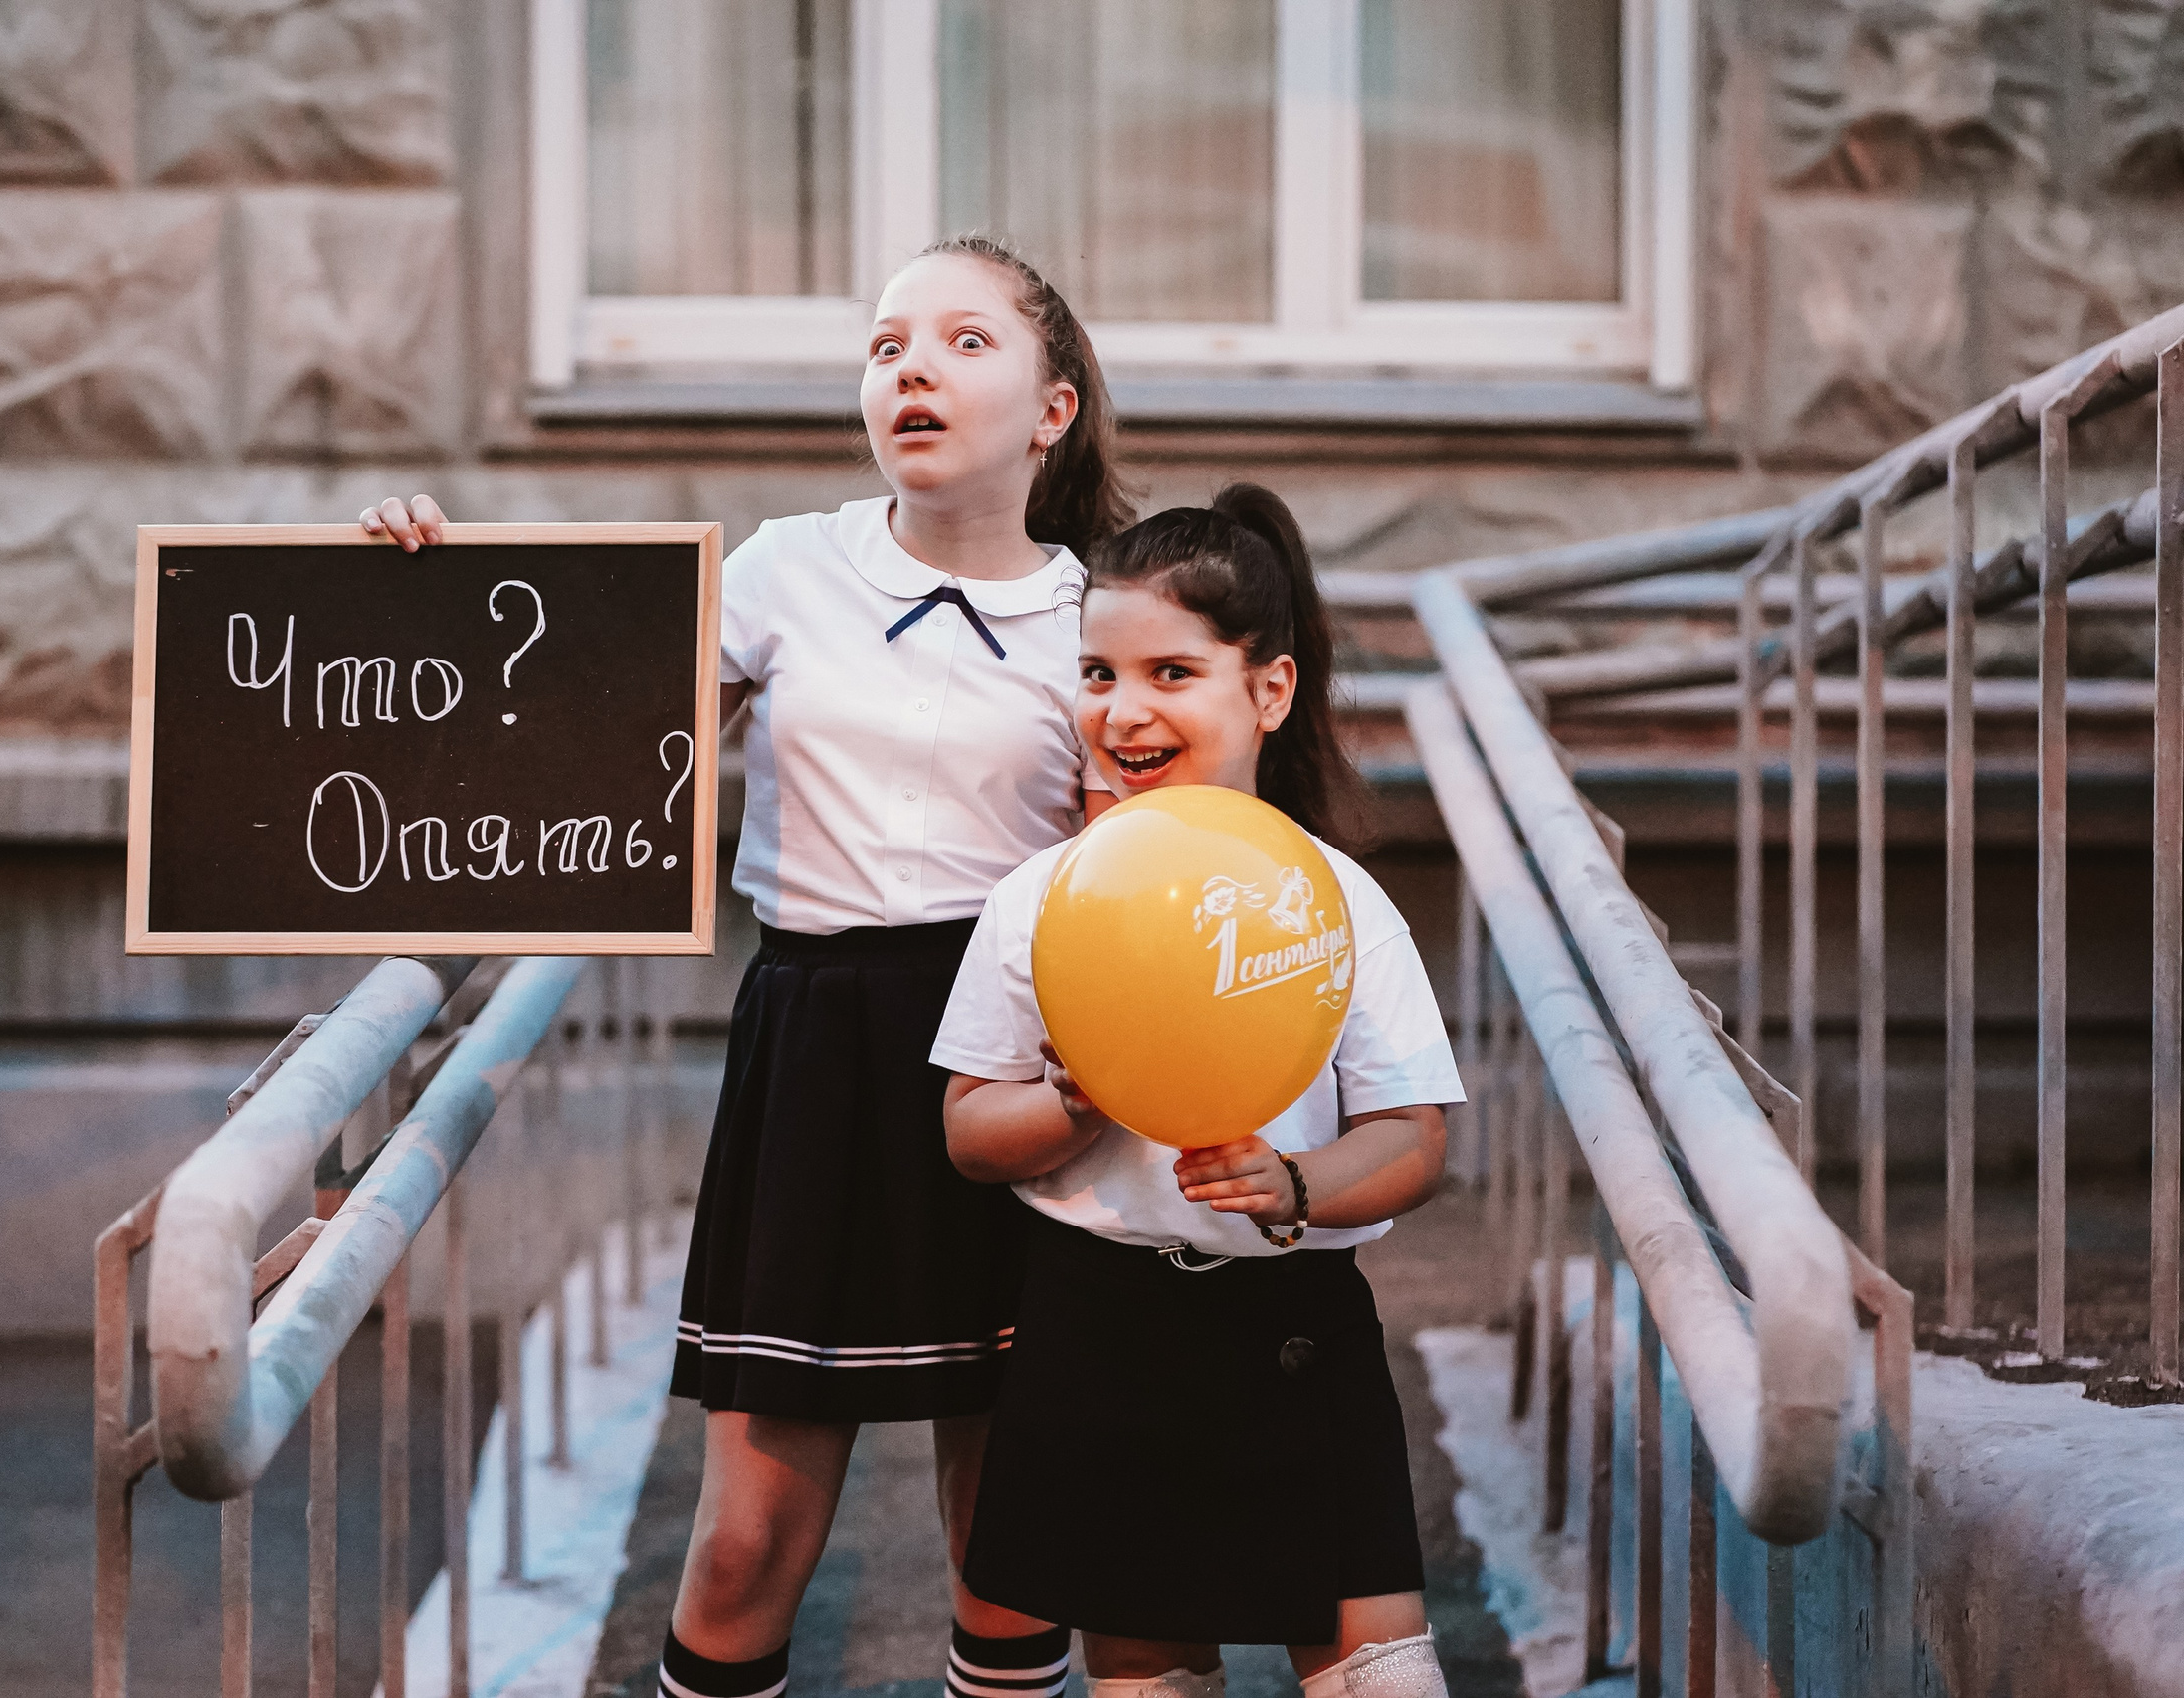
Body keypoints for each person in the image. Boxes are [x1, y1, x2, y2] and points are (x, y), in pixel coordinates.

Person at [358, 236, 1135, 1698]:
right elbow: (566, 718)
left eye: (966, 341)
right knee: (744, 1540)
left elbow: (1148, 856)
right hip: (820, 1051)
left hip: (1020, 1056)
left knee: (1010, 1541)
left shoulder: (1101, 616)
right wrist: (425, 599)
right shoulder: (787, 566)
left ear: (1053, 406)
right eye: (887, 342)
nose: (911, 366)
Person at [930, 486, 1465, 1698]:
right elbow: (969, 1128)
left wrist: (1293, 1184)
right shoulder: (1041, 899)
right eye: (1097, 674)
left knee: (1382, 1675)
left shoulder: (1332, 897)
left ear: (1266, 691)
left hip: (1293, 1332)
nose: (1125, 710)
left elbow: (1412, 1135)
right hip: (1099, 1333)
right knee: (1147, 1673)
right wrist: (1078, 1098)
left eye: (1172, 673)